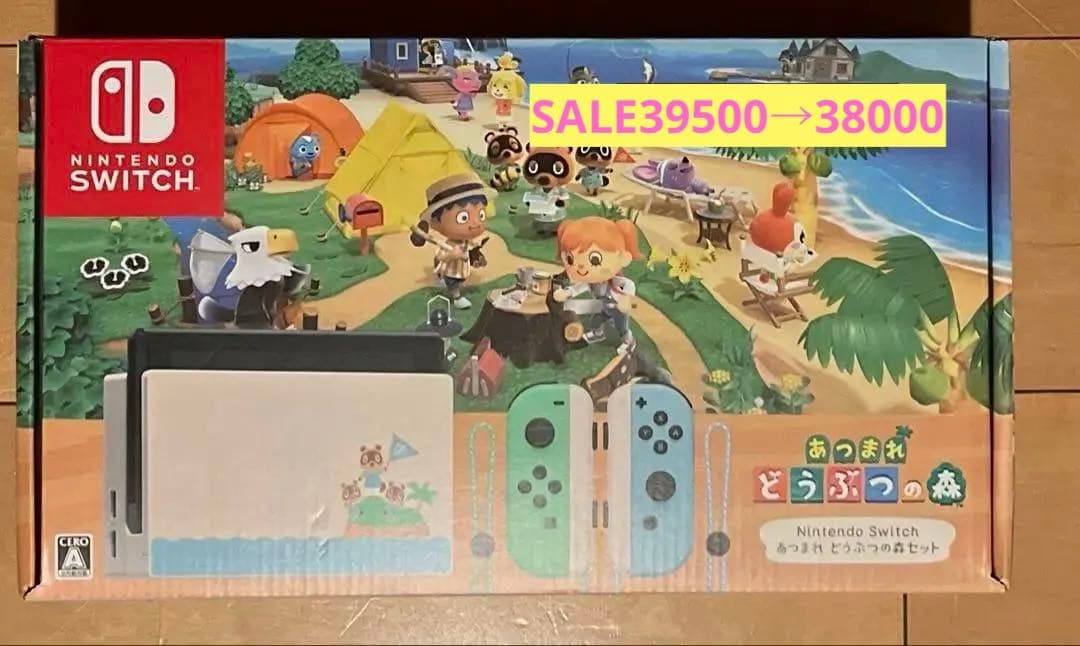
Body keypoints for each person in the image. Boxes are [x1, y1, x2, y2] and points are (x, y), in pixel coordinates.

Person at [552, 216, 644, 352]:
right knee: (595, 321)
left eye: (595, 260)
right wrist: (566, 293)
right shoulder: (591, 282)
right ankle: (597, 334)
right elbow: (578, 288)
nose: (581, 267)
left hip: (618, 310)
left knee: (622, 328)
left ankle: (628, 341)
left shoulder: (616, 282)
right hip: (604, 308)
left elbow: (628, 286)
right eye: (570, 259)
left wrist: (626, 299)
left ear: (624, 257)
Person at [411, 173, 490, 309]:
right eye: (463, 218)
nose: (475, 224)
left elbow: (470, 248)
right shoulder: (448, 245)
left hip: (461, 270)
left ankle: (450, 286)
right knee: (454, 284)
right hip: (452, 271)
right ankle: (457, 297)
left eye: (481, 215)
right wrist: (452, 255)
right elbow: (440, 257)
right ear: (435, 223)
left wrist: (475, 250)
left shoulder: (465, 241)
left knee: (459, 279)